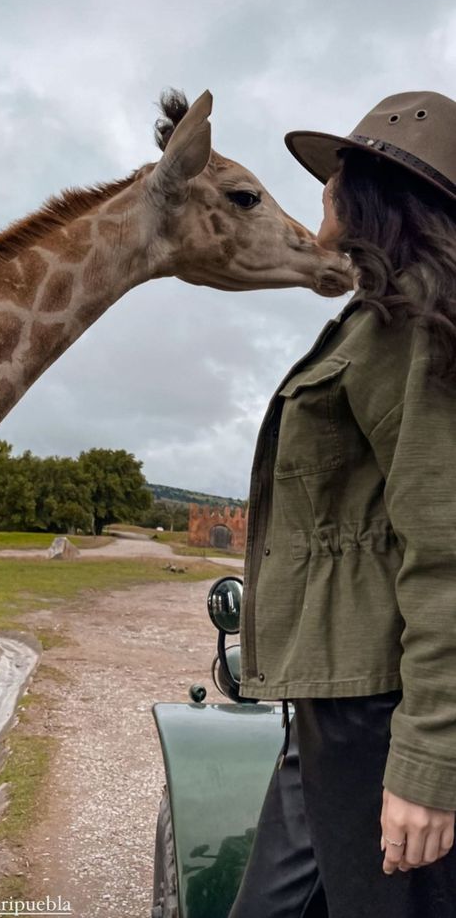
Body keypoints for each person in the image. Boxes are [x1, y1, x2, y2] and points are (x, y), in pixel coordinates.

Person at [229, 91, 456, 917]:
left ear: (363, 193)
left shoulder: (419, 321)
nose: (319, 193)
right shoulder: (373, 320)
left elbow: (448, 552)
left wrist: (428, 764)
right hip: (329, 705)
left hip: (382, 713)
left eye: (333, 177)